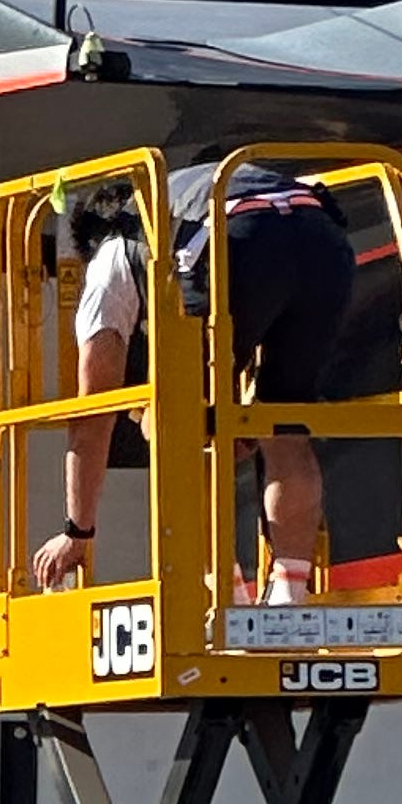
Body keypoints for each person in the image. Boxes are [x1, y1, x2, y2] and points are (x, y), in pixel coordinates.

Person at [28, 160, 356, 600]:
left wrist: (77, 531)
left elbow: (93, 409)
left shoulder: (115, 252)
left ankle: (221, 591)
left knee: (174, 421)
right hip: (324, 242)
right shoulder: (179, 200)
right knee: (284, 424)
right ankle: (289, 597)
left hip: (235, 240)